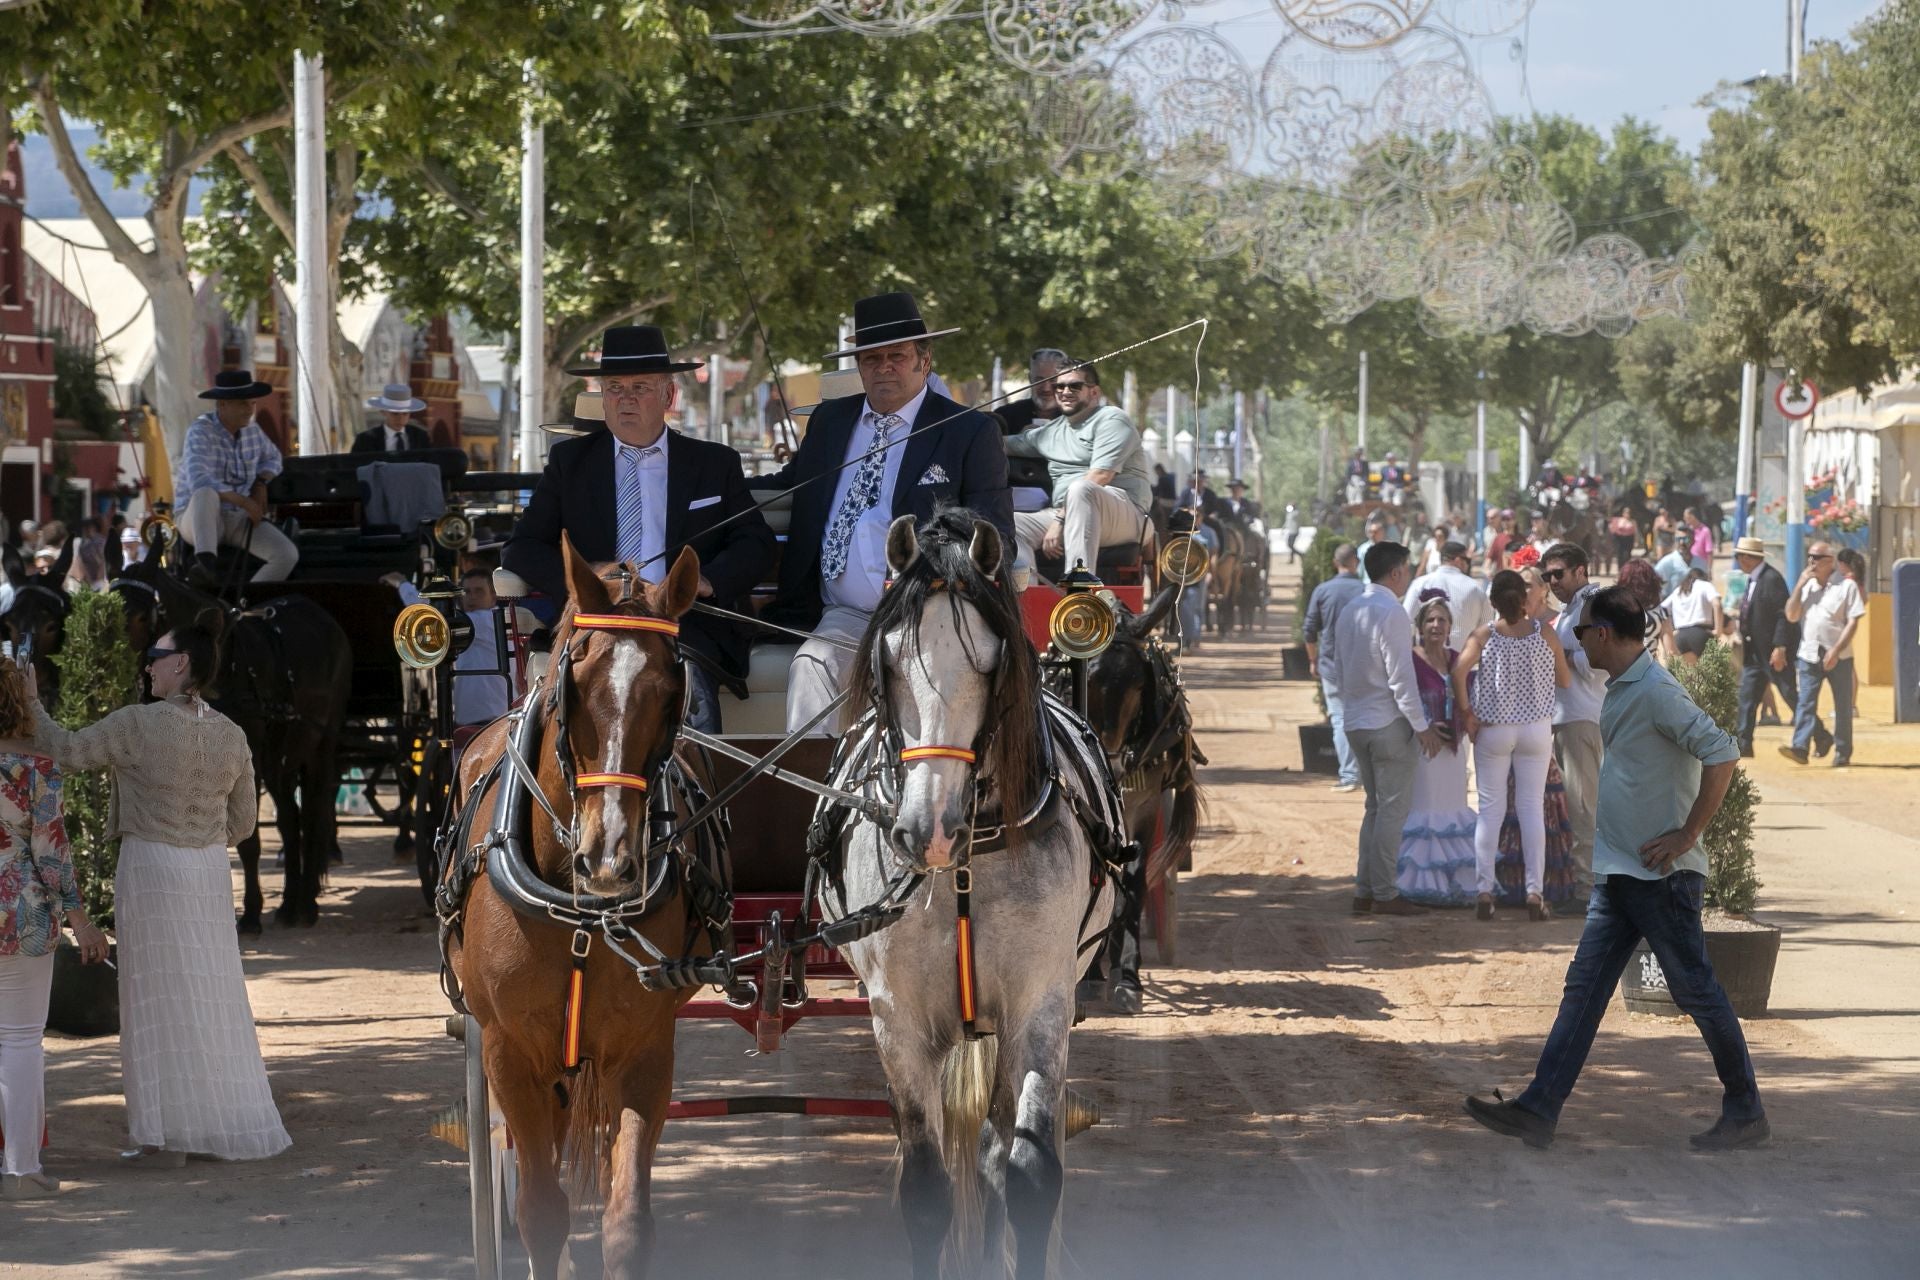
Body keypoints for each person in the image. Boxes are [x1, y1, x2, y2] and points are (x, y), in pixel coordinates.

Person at [1465, 585, 1765, 1153]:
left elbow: (1723, 753)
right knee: (1584, 990)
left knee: (1696, 991)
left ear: (1603, 633)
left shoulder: (1654, 690)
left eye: (1581, 632)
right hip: (1624, 872)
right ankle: (1539, 1107)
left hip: (1661, 876)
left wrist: (1687, 834)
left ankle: (1746, 1108)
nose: (1576, 642)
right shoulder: (1627, 686)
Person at [27, 624, 290, 1165]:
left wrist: (31, 703)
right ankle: (220, 1125)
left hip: (150, 865)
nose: (146, 665)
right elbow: (243, 822)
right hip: (208, 871)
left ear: (182, 663)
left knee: (153, 998)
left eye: (154, 656)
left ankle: (163, 1137)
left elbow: (68, 752)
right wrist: (197, 836)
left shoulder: (137, 724)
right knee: (211, 992)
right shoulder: (232, 734)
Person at [756, 293, 1011, 733]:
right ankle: (818, 795)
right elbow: (787, 484)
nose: (884, 366)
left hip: (933, 611)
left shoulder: (968, 431)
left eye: (897, 356)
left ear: (924, 362)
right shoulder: (830, 421)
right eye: (871, 358)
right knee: (813, 665)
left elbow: (996, 533)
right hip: (845, 616)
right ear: (859, 367)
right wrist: (710, 485)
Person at [503, 325, 775, 733]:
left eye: (640, 387)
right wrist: (587, 578)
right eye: (614, 387)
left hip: (684, 620)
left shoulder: (712, 463)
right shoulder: (570, 463)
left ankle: (696, 794)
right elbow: (521, 547)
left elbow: (756, 543)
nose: (625, 399)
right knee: (567, 702)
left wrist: (706, 580)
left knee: (689, 690)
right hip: (598, 621)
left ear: (668, 395)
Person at [0, 658, 110, 1200]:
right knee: (20, 1043)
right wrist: (82, 922)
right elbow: (52, 855)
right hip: (23, 919)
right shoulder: (36, 769)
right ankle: (21, 1171)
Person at [1332, 542, 1449, 916]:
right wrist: (1422, 726)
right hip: (1386, 722)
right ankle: (1383, 892)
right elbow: (1402, 680)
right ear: (1396, 572)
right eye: (1407, 567)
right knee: (1391, 812)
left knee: (1374, 808)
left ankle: (1365, 890)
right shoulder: (1392, 612)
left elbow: (1338, 667)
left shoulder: (1352, 608)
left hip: (1356, 722)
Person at [1456, 569, 1570, 921]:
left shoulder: (1484, 636)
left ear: (1493, 602)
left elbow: (1458, 672)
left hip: (1494, 729)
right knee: (1531, 809)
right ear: (1524, 600)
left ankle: (1484, 889)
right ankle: (1535, 893)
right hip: (1535, 729)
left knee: (1490, 810)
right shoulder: (1544, 633)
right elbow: (1564, 679)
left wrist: (1467, 713)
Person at [1005, 362, 1150, 579]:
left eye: (1074, 386)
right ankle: (1026, 600)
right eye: (1059, 386)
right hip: (1069, 513)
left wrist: (1059, 521)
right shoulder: (1049, 433)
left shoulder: (1111, 419)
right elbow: (1000, 443)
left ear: (1094, 392)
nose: (1065, 392)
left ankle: (1079, 594)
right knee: (1008, 526)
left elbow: (1101, 476)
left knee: (1081, 489)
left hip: (1125, 514)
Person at [178, 370, 299, 589]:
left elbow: (274, 459)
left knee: (287, 554)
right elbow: (199, 480)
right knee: (206, 494)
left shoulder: (253, 431)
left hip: (238, 518)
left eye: (252, 404)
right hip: (199, 519)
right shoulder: (200, 430)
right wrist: (245, 501)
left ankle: (249, 601)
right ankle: (205, 566)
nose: (250, 410)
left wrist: (260, 482)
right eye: (243, 404)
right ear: (223, 404)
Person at [1395, 593, 1478, 905]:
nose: (1436, 625)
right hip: (1424, 749)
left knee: (1452, 809)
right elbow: (1403, 699)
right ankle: (1418, 882)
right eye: (1430, 620)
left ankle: (1454, 882)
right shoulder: (1411, 660)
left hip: (1455, 751)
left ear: (1450, 627)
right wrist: (1425, 727)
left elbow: (1471, 697)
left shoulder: (1458, 660)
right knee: (1427, 810)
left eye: (1442, 620)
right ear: (1419, 625)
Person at [1539, 543, 1605, 905]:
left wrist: (1560, 655)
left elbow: (1601, 659)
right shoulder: (1572, 610)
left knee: (1583, 808)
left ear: (1581, 571)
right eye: (1546, 575)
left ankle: (1587, 891)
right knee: (1580, 806)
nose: (1552, 581)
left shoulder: (1592, 605)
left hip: (1582, 718)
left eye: (1558, 573)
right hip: (1570, 718)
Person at [1781, 539, 1864, 767]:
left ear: (1830, 561)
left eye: (1817, 557)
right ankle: (1800, 747)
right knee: (1805, 703)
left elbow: (1853, 622)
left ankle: (1843, 751)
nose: (1811, 561)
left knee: (1842, 706)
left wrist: (1836, 650)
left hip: (1838, 656)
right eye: (1810, 556)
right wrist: (1799, 585)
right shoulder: (1807, 587)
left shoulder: (1846, 587)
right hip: (1809, 654)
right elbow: (1791, 615)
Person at [1730, 536, 1803, 757]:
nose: (1738, 560)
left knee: (1790, 694)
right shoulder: (1754, 579)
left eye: (1740, 556)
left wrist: (1780, 647)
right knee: (1747, 698)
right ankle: (1744, 745)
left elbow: (1784, 616)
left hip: (1772, 652)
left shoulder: (1771, 579)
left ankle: (1819, 735)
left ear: (1748, 558)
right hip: (1755, 653)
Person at [1302, 542, 1365, 792]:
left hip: (1330, 663)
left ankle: (1350, 775)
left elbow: (1309, 630)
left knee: (1339, 718)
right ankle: (1366, 774)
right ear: (1355, 562)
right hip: (1362, 664)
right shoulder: (1366, 590)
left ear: (1335, 563)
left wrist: (1312, 660)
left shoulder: (1323, 590)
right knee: (1364, 718)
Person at [1404, 540, 1491, 648]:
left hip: (1427, 660)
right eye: (1467, 560)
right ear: (1459, 560)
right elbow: (1486, 629)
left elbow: (1405, 622)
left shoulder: (1420, 584)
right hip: (1465, 661)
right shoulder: (1476, 588)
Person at [349, 383, 435, 454]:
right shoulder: (365, 440)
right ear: (383, 412)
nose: (400, 419)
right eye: (395, 414)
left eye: (405, 414)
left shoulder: (420, 437)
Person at [1662, 567, 1722, 665]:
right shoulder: (1705, 585)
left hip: (1680, 636)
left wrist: (1670, 632)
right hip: (1701, 634)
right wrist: (1718, 631)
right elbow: (1717, 604)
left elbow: (1662, 609)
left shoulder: (1678, 590)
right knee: (1709, 676)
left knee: (1687, 676)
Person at [1836, 548, 1869, 719]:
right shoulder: (1859, 582)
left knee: (1848, 668)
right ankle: (1851, 705)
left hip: (1844, 625)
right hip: (1849, 623)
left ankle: (1850, 705)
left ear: (1843, 564)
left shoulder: (1849, 583)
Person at [1652, 531, 1690, 597]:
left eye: (1685, 539)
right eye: (1678, 539)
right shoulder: (1667, 561)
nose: (1682, 542)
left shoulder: (1699, 561)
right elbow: (1654, 580)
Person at [1356, 514, 1388, 582]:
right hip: (1368, 585)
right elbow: (1359, 570)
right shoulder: (1363, 549)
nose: (1372, 535)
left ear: (1382, 533)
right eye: (1370, 532)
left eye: (1375, 532)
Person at [1683, 507, 1714, 574]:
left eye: (1686, 517)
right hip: (1689, 565)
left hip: (1701, 565)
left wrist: (1709, 569)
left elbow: (1709, 552)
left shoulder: (1705, 531)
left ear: (1693, 516)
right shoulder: (1687, 531)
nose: (1684, 519)